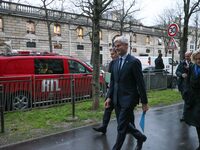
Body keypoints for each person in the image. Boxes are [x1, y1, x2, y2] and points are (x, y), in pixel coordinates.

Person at [105, 36, 149, 150]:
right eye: (115, 46)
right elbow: (113, 82)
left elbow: (140, 83)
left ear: (126, 46)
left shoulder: (134, 62)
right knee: (124, 124)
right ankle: (140, 137)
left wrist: (144, 102)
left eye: (118, 45)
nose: (116, 48)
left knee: (121, 127)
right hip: (116, 99)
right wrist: (109, 97)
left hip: (129, 99)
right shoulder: (114, 63)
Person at [93, 48, 119, 134]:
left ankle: (132, 129)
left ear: (117, 53)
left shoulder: (121, 63)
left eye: (113, 54)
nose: (111, 56)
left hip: (119, 92)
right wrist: (106, 76)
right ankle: (104, 127)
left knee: (124, 114)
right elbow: (109, 78)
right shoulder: (111, 63)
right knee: (107, 108)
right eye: (111, 54)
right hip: (111, 91)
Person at [184, 50, 200, 150]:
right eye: (197, 58)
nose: (199, 60)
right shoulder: (192, 67)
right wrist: (186, 93)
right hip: (193, 100)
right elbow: (188, 82)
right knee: (197, 124)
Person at [175, 51, 192, 122]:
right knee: (186, 99)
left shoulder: (194, 63)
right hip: (183, 85)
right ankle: (186, 115)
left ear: (191, 56)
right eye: (186, 56)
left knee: (188, 100)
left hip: (191, 85)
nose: (187, 58)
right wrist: (181, 75)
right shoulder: (182, 63)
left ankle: (185, 115)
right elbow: (177, 72)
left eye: (188, 56)